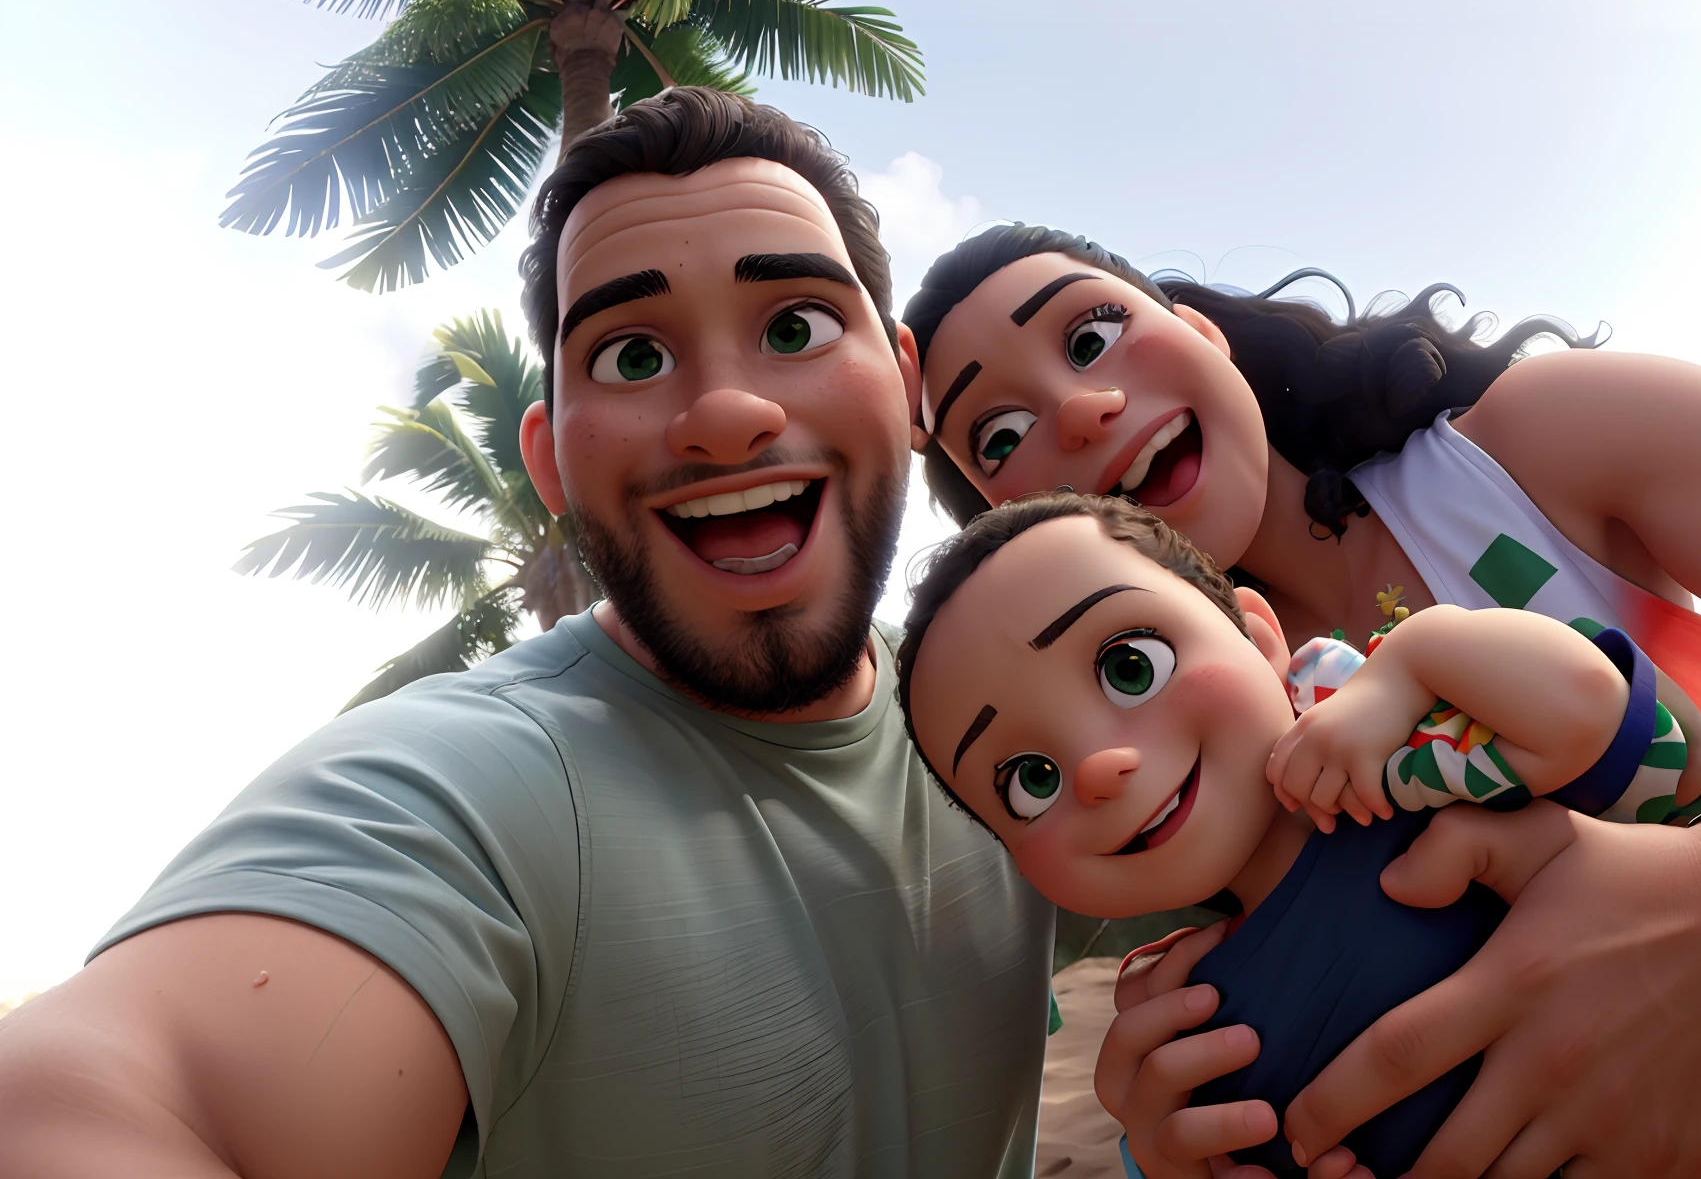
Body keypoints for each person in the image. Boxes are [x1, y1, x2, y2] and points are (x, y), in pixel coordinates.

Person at [0, 89, 1055, 1178]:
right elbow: (101, 1102)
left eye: (794, 326)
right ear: (548, 460)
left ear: (905, 381)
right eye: (631, 357)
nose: (726, 412)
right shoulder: (474, 789)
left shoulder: (992, 716)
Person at [899, 224, 1701, 1178]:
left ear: (1197, 333)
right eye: (997, 435)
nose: (1081, 407)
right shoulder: (1214, 783)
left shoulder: (1532, 452)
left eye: (1092, 332)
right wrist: (1199, 1125)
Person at [893, 490, 1701, 1179]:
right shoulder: (1177, 1024)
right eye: (1031, 781)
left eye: (1129, 667)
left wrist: (1415, 661)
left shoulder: (1418, 768)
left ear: (1261, 636)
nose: (1100, 768)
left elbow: (1603, 717)